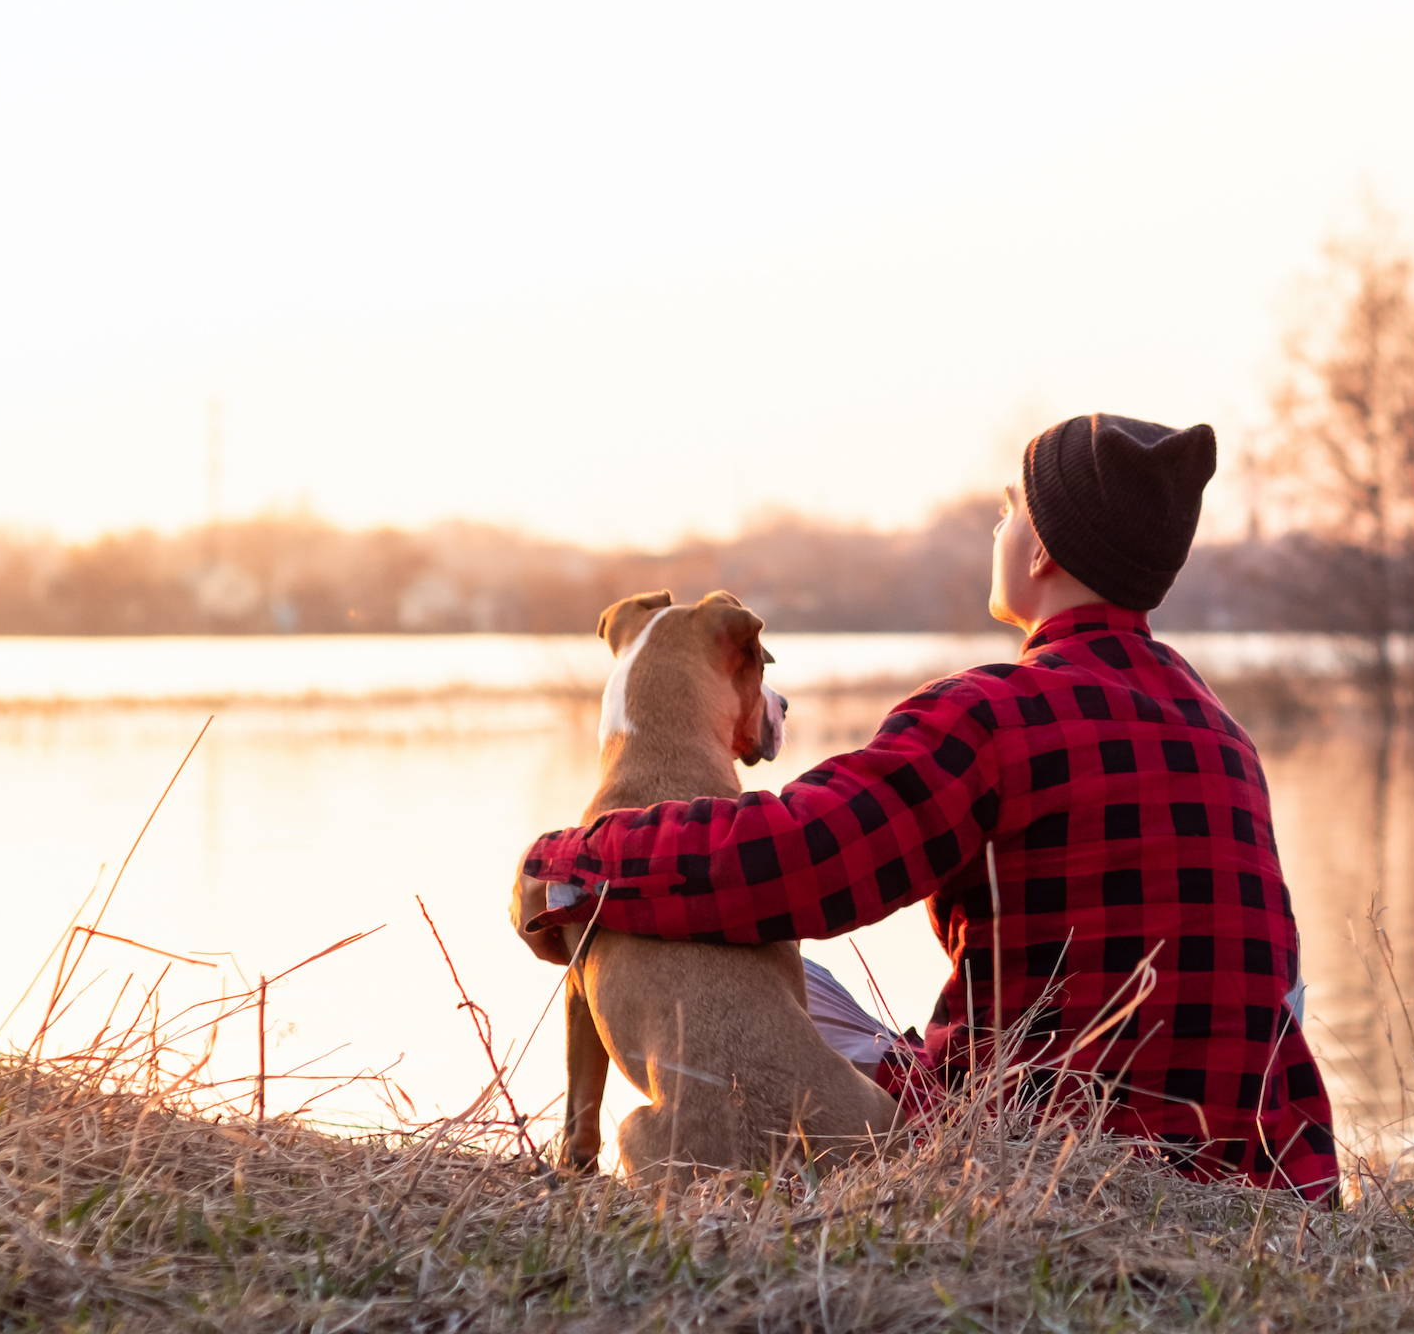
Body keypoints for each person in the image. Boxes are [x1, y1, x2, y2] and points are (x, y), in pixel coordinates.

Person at [515, 414, 1336, 1196]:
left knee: (799, 982)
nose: (996, 529)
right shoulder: (1221, 730)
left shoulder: (989, 715)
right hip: (1252, 1163)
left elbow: (793, 863)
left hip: (1029, 1143)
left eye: (1007, 510)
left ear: (1044, 549)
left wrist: (569, 865)